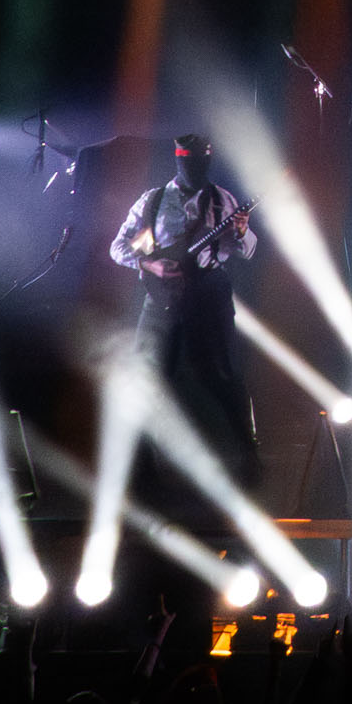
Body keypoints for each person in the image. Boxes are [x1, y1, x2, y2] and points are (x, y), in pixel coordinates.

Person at [110, 133, 260, 479]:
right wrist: (150, 264)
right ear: (179, 160)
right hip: (162, 296)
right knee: (145, 374)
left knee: (223, 374)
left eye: (202, 162)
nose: (196, 168)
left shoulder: (222, 200)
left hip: (208, 294)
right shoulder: (153, 201)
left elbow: (248, 251)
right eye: (190, 161)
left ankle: (248, 453)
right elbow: (118, 247)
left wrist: (241, 231)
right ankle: (141, 465)